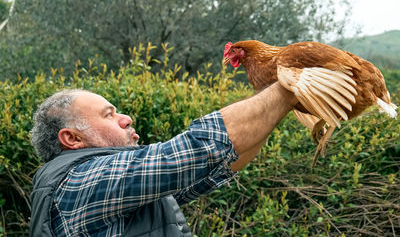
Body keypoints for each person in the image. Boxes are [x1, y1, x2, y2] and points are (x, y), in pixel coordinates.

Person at [29, 82, 298, 236]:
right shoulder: (81, 182)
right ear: (73, 139)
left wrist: (277, 107)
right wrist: (290, 88)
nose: (126, 119)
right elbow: (195, 151)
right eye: (109, 114)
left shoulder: (115, 192)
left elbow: (221, 163)